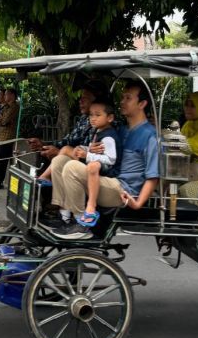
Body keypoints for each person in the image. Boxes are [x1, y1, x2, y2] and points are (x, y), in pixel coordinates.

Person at [43, 81, 159, 240]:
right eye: (123, 97)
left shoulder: (150, 135)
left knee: (72, 167)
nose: (122, 101)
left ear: (142, 103)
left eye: (128, 98)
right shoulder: (122, 129)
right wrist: (88, 150)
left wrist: (138, 204)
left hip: (123, 190)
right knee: (60, 160)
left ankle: (81, 222)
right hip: (108, 179)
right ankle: (63, 215)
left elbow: (153, 176)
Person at [26, 80, 110, 169]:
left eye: (85, 98)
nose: (80, 101)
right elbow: (67, 141)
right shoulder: (84, 119)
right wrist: (43, 145)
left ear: (98, 100)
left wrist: (60, 152)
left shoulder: (105, 126)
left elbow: (96, 162)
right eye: (80, 97)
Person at [76, 100, 119, 228]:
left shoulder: (108, 136)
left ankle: (91, 206)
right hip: (100, 163)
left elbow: (111, 159)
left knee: (93, 166)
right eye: (91, 115)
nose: (92, 119)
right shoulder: (98, 131)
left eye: (97, 115)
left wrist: (88, 155)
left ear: (110, 118)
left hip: (109, 170)